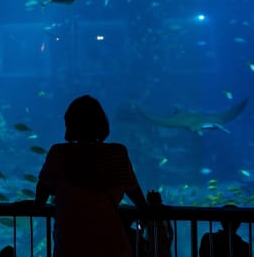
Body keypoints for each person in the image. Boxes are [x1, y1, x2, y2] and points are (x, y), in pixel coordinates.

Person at [35, 95, 148, 257]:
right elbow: (137, 197)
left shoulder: (60, 154)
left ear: (70, 124)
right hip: (113, 246)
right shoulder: (117, 153)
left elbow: (41, 197)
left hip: (71, 246)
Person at [143, 190, 173, 257]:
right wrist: (169, 242)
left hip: (153, 245)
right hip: (162, 245)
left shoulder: (145, 212)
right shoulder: (165, 212)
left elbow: (141, 228)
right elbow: (170, 231)